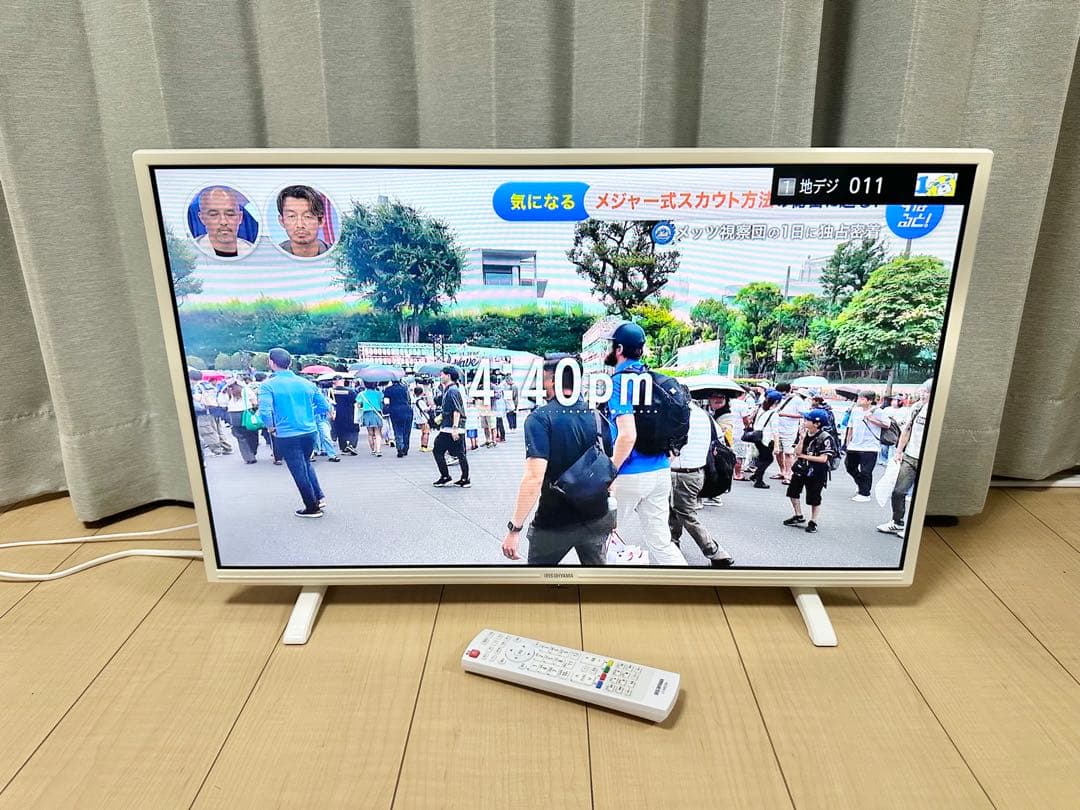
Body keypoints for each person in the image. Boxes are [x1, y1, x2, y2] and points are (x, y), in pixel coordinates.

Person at [501, 354, 616, 565]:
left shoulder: (540, 418)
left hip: (554, 521)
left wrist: (514, 528)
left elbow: (534, 478)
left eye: (542, 378)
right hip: (596, 516)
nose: (539, 384)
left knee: (540, 579)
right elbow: (606, 467)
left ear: (554, 380)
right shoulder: (597, 416)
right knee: (596, 579)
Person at [603, 321, 687, 566]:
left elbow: (627, 435)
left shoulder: (619, 382)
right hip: (660, 471)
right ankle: (689, 585)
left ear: (619, 349)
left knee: (599, 537)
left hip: (629, 473)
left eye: (610, 345)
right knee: (661, 542)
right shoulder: (653, 380)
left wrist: (609, 472)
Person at [257, 348, 330, 517]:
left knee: (298, 470)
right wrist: (308, 415)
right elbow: (324, 406)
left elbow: (265, 412)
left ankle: (312, 507)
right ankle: (318, 497)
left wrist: (271, 426)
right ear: (290, 362)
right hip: (309, 430)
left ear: (271, 363)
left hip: (287, 433)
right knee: (306, 463)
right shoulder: (307, 383)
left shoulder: (268, 385)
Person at [669, 394, 735, 567]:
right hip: (698, 472)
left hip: (681, 472)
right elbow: (719, 438)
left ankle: (716, 552)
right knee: (675, 509)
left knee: (686, 513)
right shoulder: (704, 415)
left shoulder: (680, 415)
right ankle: (673, 542)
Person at [878, 381, 932, 537]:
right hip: (910, 456)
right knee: (898, 491)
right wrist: (899, 451)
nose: (923, 395)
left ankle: (914, 527)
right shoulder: (917, 407)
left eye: (927, 392)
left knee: (921, 496)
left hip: (927, 459)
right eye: (922, 391)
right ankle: (897, 522)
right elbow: (906, 430)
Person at [783, 409, 839, 533]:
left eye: (808, 420)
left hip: (817, 471)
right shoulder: (803, 433)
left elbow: (823, 459)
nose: (804, 421)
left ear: (817, 424)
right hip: (801, 469)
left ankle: (813, 521)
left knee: (814, 497)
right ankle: (798, 515)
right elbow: (796, 452)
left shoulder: (825, 437)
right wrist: (802, 439)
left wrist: (804, 456)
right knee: (792, 492)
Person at [843, 390, 888, 502]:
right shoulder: (855, 411)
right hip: (854, 445)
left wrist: (871, 418)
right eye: (859, 398)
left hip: (870, 446)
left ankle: (864, 493)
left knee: (866, 471)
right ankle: (861, 484)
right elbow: (850, 426)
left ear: (870, 400)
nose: (859, 400)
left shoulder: (878, 411)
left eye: (862, 399)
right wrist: (848, 442)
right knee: (850, 467)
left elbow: (887, 424)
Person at [432, 366, 470, 488]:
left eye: (442, 374)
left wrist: (454, 428)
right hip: (451, 426)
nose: (440, 377)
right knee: (460, 453)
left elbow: (456, 410)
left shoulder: (452, 390)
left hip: (451, 427)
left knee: (438, 450)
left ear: (448, 376)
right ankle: (464, 478)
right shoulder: (449, 389)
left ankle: (446, 477)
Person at [194, 186, 255, 259]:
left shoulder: (252, 251)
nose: (223, 221)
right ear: (202, 218)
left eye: (230, 214)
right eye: (214, 214)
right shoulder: (191, 252)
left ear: (240, 217)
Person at [276, 185, 331, 257]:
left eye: (307, 216)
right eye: (292, 216)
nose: (300, 225)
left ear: (321, 221)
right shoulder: (273, 254)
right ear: (282, 221)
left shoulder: (337, 254)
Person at [702, 393, 736, 506]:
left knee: (715, 471)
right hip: (715, 447)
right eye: (715, 397)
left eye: (722, 397)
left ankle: (715, 496)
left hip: (721, 448)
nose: (718, 399)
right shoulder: (712, 412)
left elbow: (723, 432)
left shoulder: (726, 416)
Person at [189, 369, 232, 456]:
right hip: (215, 410)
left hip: (203, 412)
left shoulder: (195, 387)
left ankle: (217, 450)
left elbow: (196, 402)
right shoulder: (208, 385)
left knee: (207, 432)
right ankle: (227, 447)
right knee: (218, 430)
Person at [773, 382, 807, 484]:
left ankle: (789, 474)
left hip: (790, 430)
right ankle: (782, 471)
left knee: (789, 453)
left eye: (783, 393)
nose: (781, 395)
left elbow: (803, 415)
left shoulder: (797, 400)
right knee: (778, 452)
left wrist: (785, 415)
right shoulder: (777, 399)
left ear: (789, 391)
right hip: (777, 429)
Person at [747, 389, 781, 488]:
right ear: (776, 402)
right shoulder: (773, 413)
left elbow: (751, 419)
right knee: (767, 459)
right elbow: (775, 431)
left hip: (757, 437)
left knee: (763, 458)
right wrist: (777, 446)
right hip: (766, 439)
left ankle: (756, 476)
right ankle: (758, 480)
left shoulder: (760, 408)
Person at [223, 379, 260, 463]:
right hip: (247, 413)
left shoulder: (226, 391)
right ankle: (253, 450)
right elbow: (254, 401)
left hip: (233, 414)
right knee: (252, 433)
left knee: (241, 437)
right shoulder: (246, 390)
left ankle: (249, 457)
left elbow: (222, 403)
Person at [383, 377, 414, 457]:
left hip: (395, 411)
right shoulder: (405, 388)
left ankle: (400, 448)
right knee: (407, 431)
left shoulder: (388, 390)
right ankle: (405, 449)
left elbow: (386, 402)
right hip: (407, 410)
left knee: (397, 430)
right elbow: (409, 400)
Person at [331, 377, 359, 455]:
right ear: (342, 381)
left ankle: (343, 448)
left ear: (334, 382)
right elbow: (356, 401)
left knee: (340, 430)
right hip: (350, 413)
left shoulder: (331, 392)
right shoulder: (350, 391)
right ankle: (351, 444)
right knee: (354, 430)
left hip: (337, 414)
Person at [357, 382, 384, 457]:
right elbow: (382, 404)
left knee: (370, 433)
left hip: (367, 414)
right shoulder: (379, 393)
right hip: (377, 413)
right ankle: (378, 450)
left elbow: (359, 405)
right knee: (378, 433)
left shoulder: (361, 394)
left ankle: (373, 450)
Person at [412, 385, 433, 452]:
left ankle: (422, 446)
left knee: (423, 432)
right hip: (424, 419)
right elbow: (425, 409)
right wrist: (429, 407)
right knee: (426, 432)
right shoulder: (420, 401)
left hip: (419, 418)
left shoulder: (414, 401)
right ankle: (425, 446)